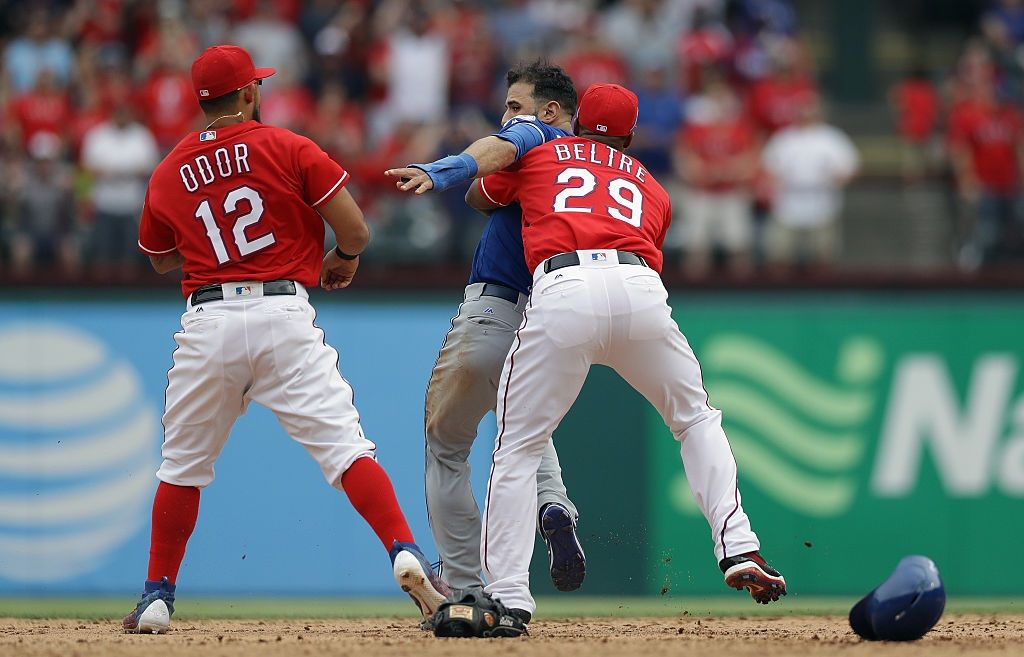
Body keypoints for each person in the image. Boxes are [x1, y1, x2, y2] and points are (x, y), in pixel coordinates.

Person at [123, 45, 448, 634]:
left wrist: (206, 239)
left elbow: (161, 260)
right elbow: (355, 230)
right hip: (283, 313)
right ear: (248, 93)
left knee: (182, 468)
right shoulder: (288, 145)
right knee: (347, 450)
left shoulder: (170, 167)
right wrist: (342, 257)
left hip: (209, 320)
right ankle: (405, 550)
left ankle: (155, 597)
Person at [461, 84, 787, 635]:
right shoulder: (652, 186)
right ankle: (738, 547)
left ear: (575, 119)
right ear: (631, 137)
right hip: (639, 287)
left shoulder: (541, 152)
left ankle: (510, 598)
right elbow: (645, 233)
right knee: (696, 420)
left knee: (518, 447)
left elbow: (480, 194)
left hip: (563, 286)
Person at [383, 61, 586, 595]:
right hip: (554, 317)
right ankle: (555, 505)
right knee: (524, 431)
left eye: (515, 106)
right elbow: (487, 195)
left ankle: (466, 586)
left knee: (446, 449)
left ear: (550, 111)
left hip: (492, 312)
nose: (507, 117)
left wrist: (442, 170)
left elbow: (490, 163)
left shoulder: (536, 138)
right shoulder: (594, 172)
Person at [761, 97, 859, 270]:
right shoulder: (784, 138)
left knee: (824, 256)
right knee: (780, 256)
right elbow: (767, 168)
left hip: (823, 204)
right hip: (787, 205)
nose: (806, 114)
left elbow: (850, 168)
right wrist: (773, 184)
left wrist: (837, 179)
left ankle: (826, 295)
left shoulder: (833, 138)